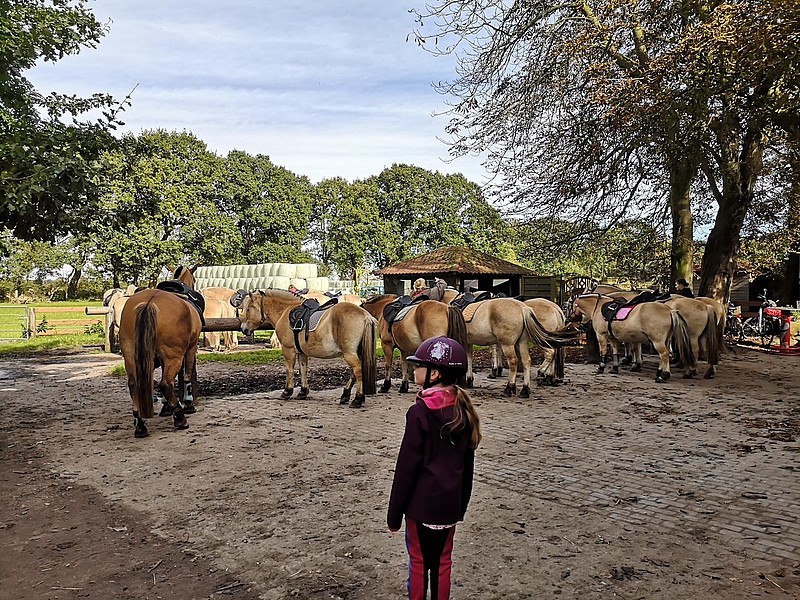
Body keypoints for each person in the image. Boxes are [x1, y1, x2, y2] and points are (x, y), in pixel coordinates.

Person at [387, 336, 481, 600]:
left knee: (418, 562)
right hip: (449, 507)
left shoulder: (418, 413)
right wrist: (460, 506)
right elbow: (468, 467)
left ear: (435, 373)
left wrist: (394, 514)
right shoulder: (464, 410)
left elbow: (406, 469)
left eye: (419, 365)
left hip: (420, 508)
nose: (414, 369)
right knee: (442, 564)